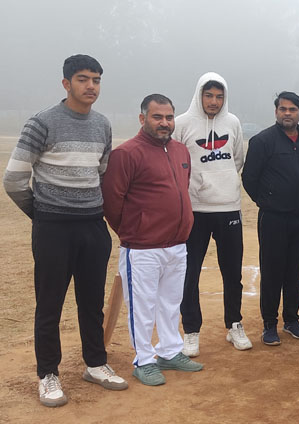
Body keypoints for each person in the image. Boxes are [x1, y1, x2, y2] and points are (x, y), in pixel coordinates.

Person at [3, 54, 127, 406]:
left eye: (96, 80)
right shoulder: (42, 122)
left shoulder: (102, 124)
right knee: (50, 305)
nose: (91, 86)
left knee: (91, 302)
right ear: (66, 83)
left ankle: (96, 363)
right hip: (53, 229)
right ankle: (48, 374)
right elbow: (13, 180)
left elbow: (101, 174)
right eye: (83, 79)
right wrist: (43, 215)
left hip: (92, 227)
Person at [102, 94, 203, 386]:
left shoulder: (180, 151)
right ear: (142, 118)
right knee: (142, 307)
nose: (164, 123)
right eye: (157, 117)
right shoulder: (126, 153)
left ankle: (169, 351)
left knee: (171, 303)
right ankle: (143, 360)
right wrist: (134, 231)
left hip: (177, 244)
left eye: (169, 117)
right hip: (142, 247)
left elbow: (182, 190)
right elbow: (112, 202)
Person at [174, 72, 251, 357]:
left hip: (228, 207)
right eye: (209, 95)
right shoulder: (182, 123)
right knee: (189, 273)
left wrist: (223, 182)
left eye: (219, 96)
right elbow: (175, 161)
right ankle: (191, 331)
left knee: (232, 272)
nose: (214, 102)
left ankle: (234, 325)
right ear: (199, 95)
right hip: (194, 209)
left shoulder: (233, 123)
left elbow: (237, 159)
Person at [242, 91, 299, 346]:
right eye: (283, 109)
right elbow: (249, 178)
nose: (287, 113)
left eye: (292, 109)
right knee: (272, 271)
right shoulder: (262, 141)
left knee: (294, 270)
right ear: (276, 112)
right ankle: (269, 324)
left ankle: (292, 320)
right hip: (272, 218)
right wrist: (266, 200)